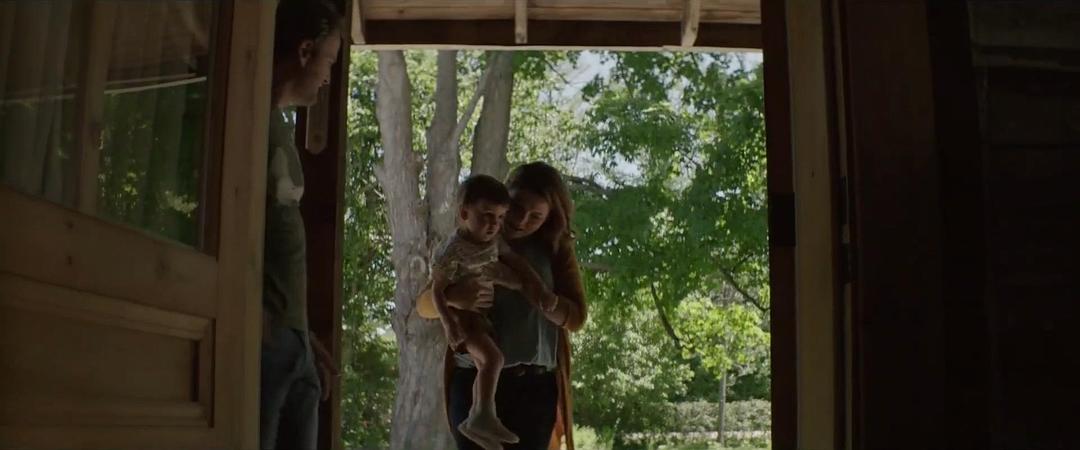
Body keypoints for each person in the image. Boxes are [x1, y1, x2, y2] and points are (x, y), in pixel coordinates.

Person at [419, 162, 589, 450]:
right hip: (473, 379)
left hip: (535, 386)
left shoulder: (554, 249)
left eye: (535, 216)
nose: (521, 220)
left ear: (550, 217)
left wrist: (529, 289)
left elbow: (575, 318)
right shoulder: (471, 240)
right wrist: (454, 296)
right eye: (517, 207)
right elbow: (424, 305)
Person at [261, 1, 343, 449]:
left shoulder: (276, 126)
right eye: (329, 61)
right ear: (305, 51)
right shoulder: (244, 123)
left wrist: (303, 333)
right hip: (263, 339)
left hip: (293, 341)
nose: (328, 76)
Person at [431, 175, 555, 450]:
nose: (495, 224)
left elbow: (519, 271)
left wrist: (536, 291)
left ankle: (480, 415)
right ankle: (482, 414)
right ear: (465, 213)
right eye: (487, 216)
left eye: (499, 217)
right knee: (492, 360)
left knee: (488, 362)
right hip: (467, 324)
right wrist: (451, 313)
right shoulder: (453, 249)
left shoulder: (501, 244)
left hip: (503, 345)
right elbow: (432, 294)